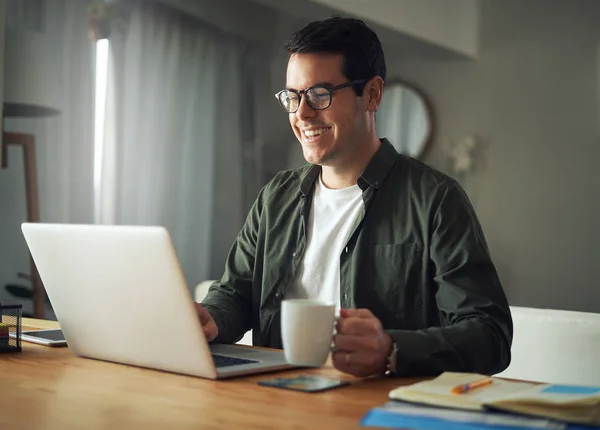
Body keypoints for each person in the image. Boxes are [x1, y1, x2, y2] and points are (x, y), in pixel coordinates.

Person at [197, 15, 512, 378]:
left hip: (379, 410)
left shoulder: (435, 200)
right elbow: (236, 294)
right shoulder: (276, 197)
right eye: (292, 96)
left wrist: (391, 349)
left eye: (319, 94)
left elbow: (491, 335)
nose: (302, 114)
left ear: (373, 94)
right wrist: (211, 318)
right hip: (273, 400)